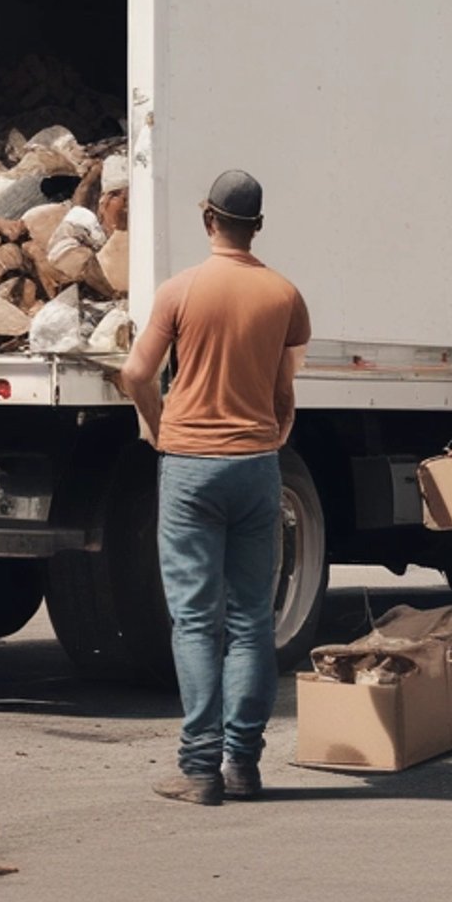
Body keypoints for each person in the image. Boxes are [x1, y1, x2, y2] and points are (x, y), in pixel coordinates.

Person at [119, 170, 311, 804]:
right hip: (257, 465)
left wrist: (156, 422)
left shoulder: (180, 291)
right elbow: (287, 393)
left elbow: (135, 372)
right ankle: (244, 765)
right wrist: (272, 432)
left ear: (208, 220)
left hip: (190, 464)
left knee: (196, 621)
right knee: (253, 621)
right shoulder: (285, 295)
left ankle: (199, 768)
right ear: (257, 226)